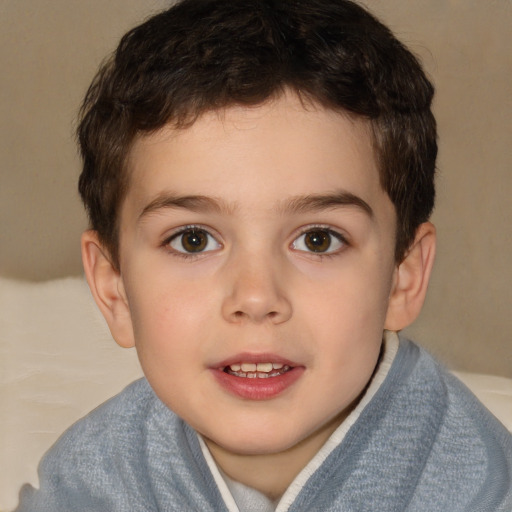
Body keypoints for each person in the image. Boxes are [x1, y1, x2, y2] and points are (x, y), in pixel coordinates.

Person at [15, 0, 512, 510]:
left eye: (318, 239)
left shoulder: (484, 490)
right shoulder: (91, 476)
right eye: (193, 240)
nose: (256, 297)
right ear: (114, 288)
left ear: (402, 278)